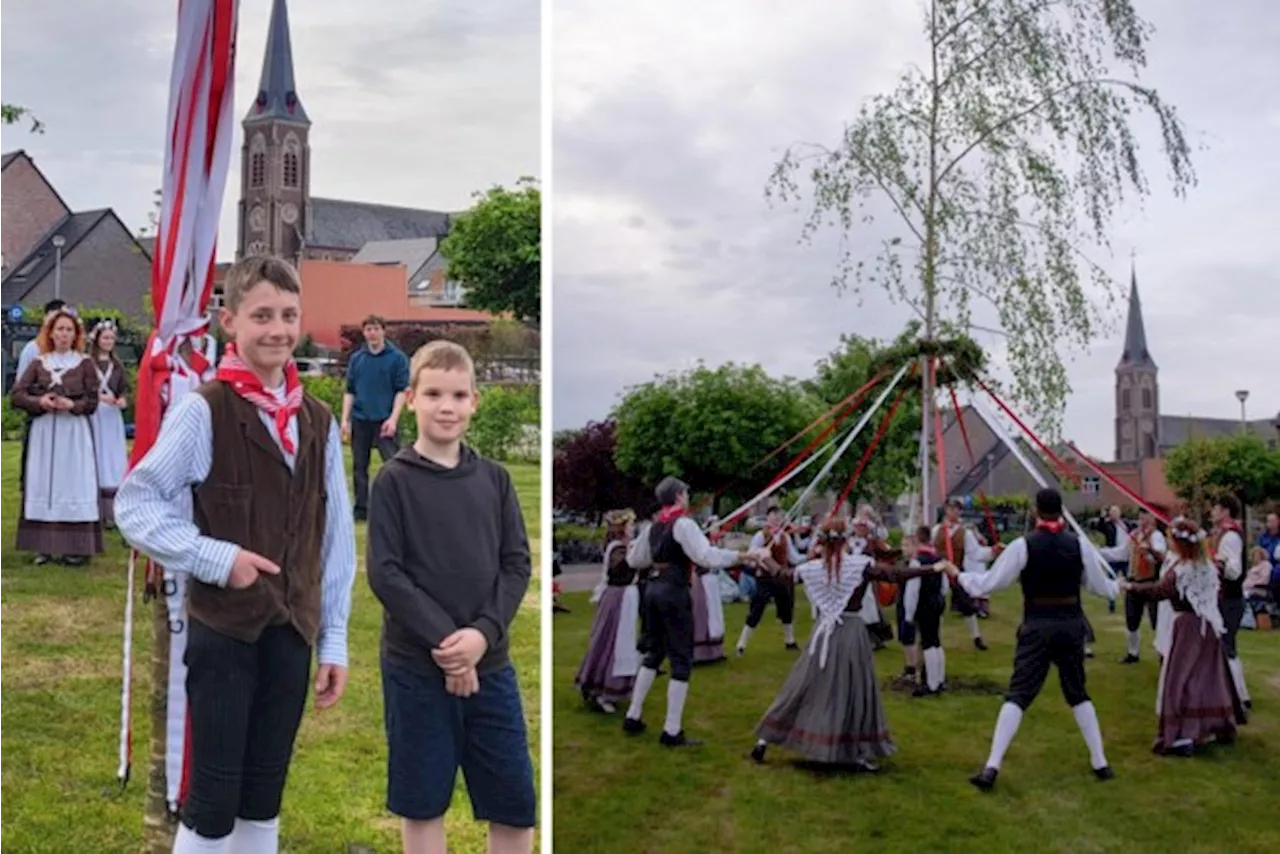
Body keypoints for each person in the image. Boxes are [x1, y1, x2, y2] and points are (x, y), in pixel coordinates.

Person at [115, 255, 357, 851]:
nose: (278, 329)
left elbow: (336, 538)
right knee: (215, 793)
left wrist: (333, 638)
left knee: (264, 790)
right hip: (226, 631)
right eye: (262, 316)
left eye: (289, 315)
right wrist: (215, 558)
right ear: (231, 322)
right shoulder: (206, 410)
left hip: (292, 628)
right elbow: (136, 504)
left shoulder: (318, 421)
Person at [366, 339, 535, 853]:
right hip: (417, 669)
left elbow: (516, 564)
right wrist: (448, 645)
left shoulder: (496, 480)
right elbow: (387, 574)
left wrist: (481, 639)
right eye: (434, 393)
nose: (447, 406)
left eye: (459, 395)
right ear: (411, 398)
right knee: (423, 803)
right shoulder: (393, 482)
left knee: (514, 805)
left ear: (474, 402)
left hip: (492, 667)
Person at [942, 488, 1119, 791]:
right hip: (1071, 626)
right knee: (1077, 692)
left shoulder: (1023, 546)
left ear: (1037, 512)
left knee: (1019, 694)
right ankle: (1100, 762)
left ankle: (992, 766)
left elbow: (990, 583)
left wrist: (958, 576)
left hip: (1037, 626)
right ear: (1061, 511)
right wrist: (1119, 588)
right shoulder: (1080, 546)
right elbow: (1100, 587)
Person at [750, 519, 945, 770]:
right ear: (844, 540)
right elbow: (893, 574)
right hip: (851, 633)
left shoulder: (814, 568)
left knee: (801, 686)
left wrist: (765, 558)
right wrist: (933, 568)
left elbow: (782, 575)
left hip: (822, 635)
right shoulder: (858, 566)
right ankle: (854, 753)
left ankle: (763, 741)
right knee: (854, 689)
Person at [624, 477, 765, 747]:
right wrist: (742, 556)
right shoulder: (683, 524)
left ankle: (633, 715)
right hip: (674, 592)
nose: (688, 496)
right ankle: (672, 730)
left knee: (654, 652)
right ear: (678, 496)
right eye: (686, 492)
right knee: (681, 658)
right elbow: (705, 556)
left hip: (653, 591)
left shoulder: (654, 526)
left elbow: (634, 560)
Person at [1118, 519, 1245, 756]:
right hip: (1209, 627)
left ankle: (1182, 736)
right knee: (1207, 678)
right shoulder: (1209, 567)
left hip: (1187, 628)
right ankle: (1216, 725)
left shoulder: (1181, 572)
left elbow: (1159, 591)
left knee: (1181, 679)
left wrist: (1130, 587)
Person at [11, 309, 103, 565]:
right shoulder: (39, 363)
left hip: (73, 432)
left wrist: (71, 405)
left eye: (68, 330)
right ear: (50, 333)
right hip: (45, 432)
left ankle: (76, 547)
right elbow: (17, 394)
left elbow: (92, 401)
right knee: (45, 483)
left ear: (76, 335)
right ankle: (44, 546)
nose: (63, 334)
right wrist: (40, 400)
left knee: (73, 482)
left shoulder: (84, 363)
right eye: (59, 329)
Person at [341, 314, 410, 521]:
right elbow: (350, 391)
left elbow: (402, 391)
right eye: (368, 329)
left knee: (393, 464)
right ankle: (362, 508)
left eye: (375, 329)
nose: (372, 333)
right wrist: (345, 420)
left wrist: (393, 419)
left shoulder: (396, 358)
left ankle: (399, 506)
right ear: (364, 333)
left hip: (384, 419)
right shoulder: (357, 359)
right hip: (361, 418)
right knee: (359, 466)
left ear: (383, 331)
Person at [575, 509, 642, 713]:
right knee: (610, 642)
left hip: (625, 597)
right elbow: (620, 571)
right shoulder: (617, 549)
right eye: (630, 525)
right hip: (617, 599)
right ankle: (601, 690)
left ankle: (613, 688)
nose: (633, 529)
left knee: (622, 643)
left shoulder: (623, 547)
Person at [1097, 509, 1166, 664]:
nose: (1142, 518)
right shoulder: (1134, 535)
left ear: (1153, 517)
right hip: (1134, 581)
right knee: (1131, 618)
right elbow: (1121, 553)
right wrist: (1099, 552)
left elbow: (1160, 556)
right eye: (1141, 514)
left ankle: (1163, 654)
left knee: (1157, 620)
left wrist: (1149, 550)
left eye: (1146, 514)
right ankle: (1132, 653)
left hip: (1151, 582)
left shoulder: (1156, 536)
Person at [736, 505, 804, 655]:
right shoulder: (761, 535)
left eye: (779, 516)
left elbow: (793, 557)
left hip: (783, 579)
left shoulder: (785, 536)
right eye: (773, 515)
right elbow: (751, 553)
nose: (776, 518)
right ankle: (741, 644)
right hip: (766, 578)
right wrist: (761, 556)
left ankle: (789, 641)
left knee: (787, 608)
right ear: (767, 517)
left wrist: (809, 557)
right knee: (757, 608)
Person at [933, 498, 996, 651]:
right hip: (939, 572)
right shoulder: (936, 530)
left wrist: (992, 552)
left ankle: (976, 637)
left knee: (967, 605)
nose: (953, 512)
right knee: (937, 605)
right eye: (951, 509)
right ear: (946, 510)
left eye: (956, 509)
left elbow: (976, 553)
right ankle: (936, 638)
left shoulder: (965, 533)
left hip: (956, 571)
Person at [86, 319, 130, 526]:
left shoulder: (117, 366)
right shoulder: (88, 364)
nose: (109, 341)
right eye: (105, 337)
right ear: (97, 340)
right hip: (94, 414)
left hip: (112, 417)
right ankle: (94, 505)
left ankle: (113, 509)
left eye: (112, 338)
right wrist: (98, 398)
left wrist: (122, 400)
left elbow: (125, 389)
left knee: (113, 456)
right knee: (95, 453)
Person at [1210, 495, 1250, 709]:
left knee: (1227, 647)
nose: (1212, 512)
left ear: (1225, 511)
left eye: (1215, 508)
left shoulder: (1230, 537)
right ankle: (1239, 694)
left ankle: (1240, 698)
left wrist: (1217, 561)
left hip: (1230, 598)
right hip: (1226, 598)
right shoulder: (1224, 534)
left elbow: (1234, 571)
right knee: (1225, 646)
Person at [902, 526, 949, 696]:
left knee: (928, 642)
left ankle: (931, 683)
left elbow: (912, 591)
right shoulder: (938, 558)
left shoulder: (917, 561)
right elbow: (945, 585)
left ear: (917, 539)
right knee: (936, 641)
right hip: (937, 602)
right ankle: (940, 678)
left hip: (925, 604)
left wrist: (908, 615)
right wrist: (940, 597)